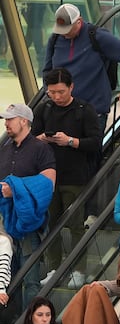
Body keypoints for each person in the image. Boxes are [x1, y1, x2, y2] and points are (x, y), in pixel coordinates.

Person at [31, 68, 101, 290]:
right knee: (51, 223)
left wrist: (70, 141)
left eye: (60, 91)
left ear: (71, 87)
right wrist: (41, 139)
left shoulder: (84, 109)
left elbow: (96, 143)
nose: (56, 97)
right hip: (48, 176)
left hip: (75, 176)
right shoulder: (44, 108)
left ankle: (79, 269)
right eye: (52, 92)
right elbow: (31, 139)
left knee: (75, 225)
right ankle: (54, 268)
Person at [43, 3, 120, 135]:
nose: (64, 34)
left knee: (89, 153)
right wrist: (49, 91)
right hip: (61, 111)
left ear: (79, 22)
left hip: (93, 112)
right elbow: (48, 70)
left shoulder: (98, 36)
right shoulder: (55, 39)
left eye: (67, 29)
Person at [0, 104, 56, 308]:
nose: (6, 123)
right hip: (6, 223)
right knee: (6, 278)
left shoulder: (41, 149)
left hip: (29, 226)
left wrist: (15, 189)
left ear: (24, 121)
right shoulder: (4, 148)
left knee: (30, 280)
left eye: (10, 119)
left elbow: (48, 185)